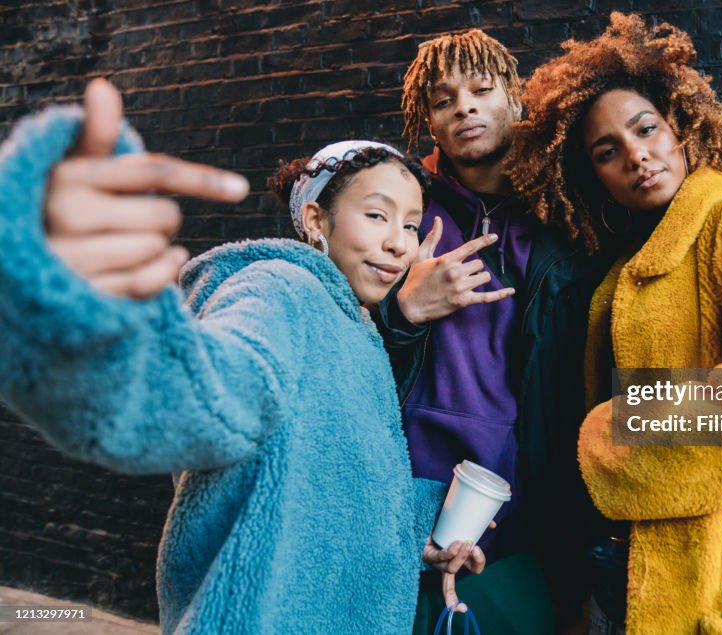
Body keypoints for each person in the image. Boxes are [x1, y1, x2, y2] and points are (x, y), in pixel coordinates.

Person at [0, 79, 486, 634]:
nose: (401, 243)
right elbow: (196, 398)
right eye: (377, 216)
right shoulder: (278, 291)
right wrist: (69, 305)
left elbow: (337, 480)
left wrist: (420, 532)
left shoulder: (357, 325)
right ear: (314, 221)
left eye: (409, 224)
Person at [507, 13, 722, 634]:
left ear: (684, 129)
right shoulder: (618, 276)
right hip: (619, 578)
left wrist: (620, 436)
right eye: (607, 152)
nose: (636, 155)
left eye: (646, 129)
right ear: (597, 180)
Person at [378, 30, 611, 633]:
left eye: (481, 90)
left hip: (530, 496)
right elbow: (344, 344)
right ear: (426, 121)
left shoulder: (568, 213)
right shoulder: (402, 209)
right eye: (443, 100)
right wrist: (404, 311)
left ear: (514, 99)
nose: (464, 108)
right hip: (408, 489)